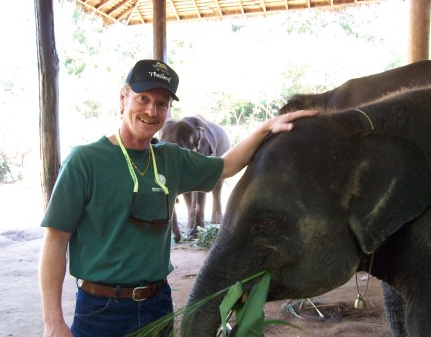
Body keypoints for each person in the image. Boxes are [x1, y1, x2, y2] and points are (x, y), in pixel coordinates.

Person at [38, 59, 316, 337]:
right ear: (123, 98)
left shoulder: (171, 158)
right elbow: (55, 239)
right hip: (101, 310)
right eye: (142, 98)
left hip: (157, 304)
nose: (151, 110)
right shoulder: (85, 161)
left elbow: (226, 166)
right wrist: (53, 322)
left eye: (162, 103)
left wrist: (265, 129)